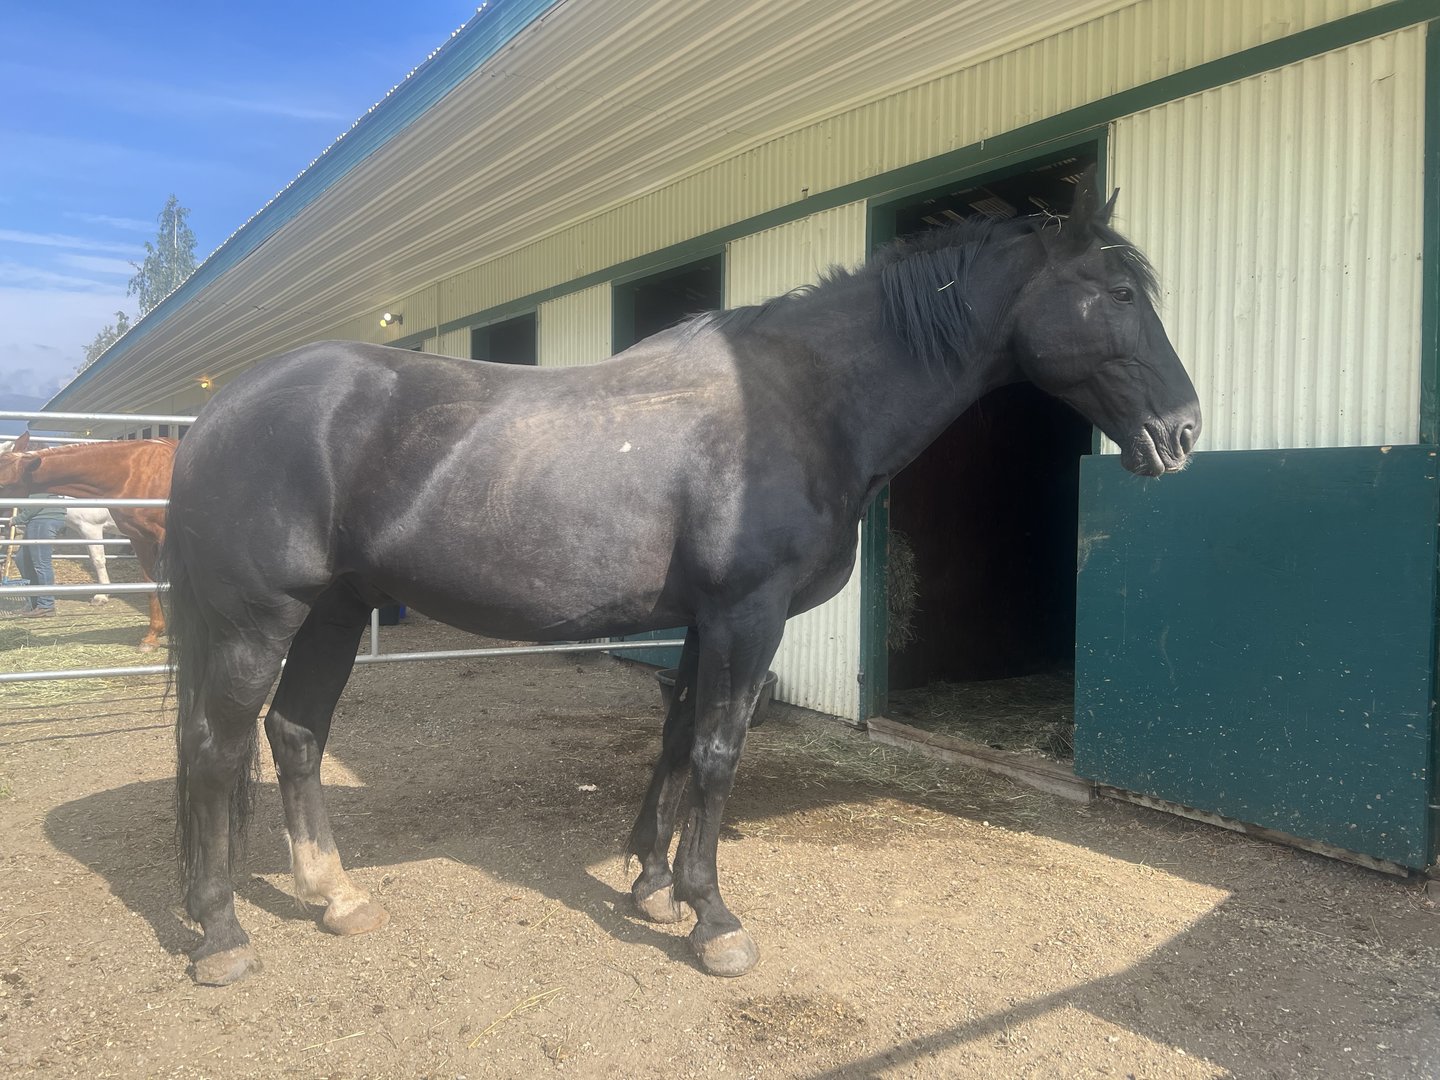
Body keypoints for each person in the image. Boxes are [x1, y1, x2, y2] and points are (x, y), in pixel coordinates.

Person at [13, 495, 67, 617]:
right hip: (38, 519)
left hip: (43, 518)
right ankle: (34, 602)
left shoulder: (37, 477)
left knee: (41, 562)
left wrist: (18, 519)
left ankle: (46, 605)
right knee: (22, 559)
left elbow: (37, 501)